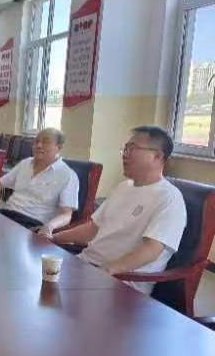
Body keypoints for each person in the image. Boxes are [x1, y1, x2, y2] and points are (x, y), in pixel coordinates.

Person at [48, 126, 186, 294]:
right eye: (125, 149)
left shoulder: (169, 198)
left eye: (132, 149)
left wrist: (108, 269)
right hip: (86, 266)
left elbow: (151, 250)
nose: (125, 154)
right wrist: (53, 237)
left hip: (121, 283)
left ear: (157, 156)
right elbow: (93, 229)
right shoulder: (123, 187)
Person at [0, 128, 79, 234]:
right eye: (36, 141)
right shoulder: (25, 164)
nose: (39, 145)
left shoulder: (67, 175)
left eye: (45, 142)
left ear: (59, 147)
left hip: (31, 225)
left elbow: (66, 215)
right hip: (5, 216)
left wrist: (50, 226)